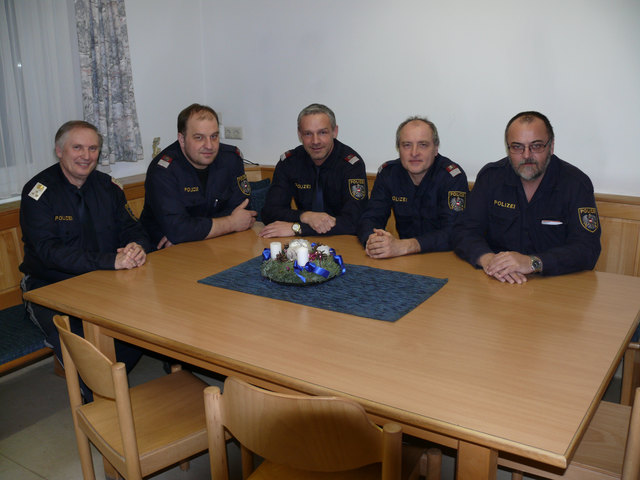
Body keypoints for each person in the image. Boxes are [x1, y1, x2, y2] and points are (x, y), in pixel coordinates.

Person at [20, 120, 150, 396]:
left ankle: (109, 384)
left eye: (93, 148)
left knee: (142, 330)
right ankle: (99, 399)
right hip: (49, 286)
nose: (86, 155)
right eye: (77, 147)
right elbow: (47, 252)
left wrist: (136, 245)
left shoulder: (108, 187)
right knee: (80, 348)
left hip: (103, 281)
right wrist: (109, 261)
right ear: (59, 150)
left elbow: (133, 228)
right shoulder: (38, 192)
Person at [453, 111, 601, 283]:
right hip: (498, 281)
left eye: (536, 146)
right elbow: (464, 231)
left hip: (557, 285)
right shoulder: (491, 178)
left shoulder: (575, 184)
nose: (526, 155)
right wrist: (488, 260)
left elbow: (587, 249)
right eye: (517, 147)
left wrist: (533, 262)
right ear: (508, 148)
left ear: (551, 146)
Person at [140, 103, 256, 249]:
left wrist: (190, 233)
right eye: (199, 137)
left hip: (216, 245)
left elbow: (244, 211)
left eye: (214, 136)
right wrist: (231, 223)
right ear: (181, 139)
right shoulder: (163, 171)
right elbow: (177, 229)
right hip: (166, 254)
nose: (209, 145)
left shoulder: (231, 159)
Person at [357, 116, 468, 258]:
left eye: (423, 145)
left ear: (435, 149)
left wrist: (406, 246)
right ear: (399, 148)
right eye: (407, 145)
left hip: (442, 258)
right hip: (400, 258)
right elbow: (370, 218)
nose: (414, 153)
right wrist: (373, 240)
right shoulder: (389, 173)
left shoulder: (451, 177)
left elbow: (454, 232)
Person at [260, 103, 367, 237]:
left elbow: (354, 221)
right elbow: (269, 212)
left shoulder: (350, 165)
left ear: (335, 132)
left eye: (322, 132)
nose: (315, 141)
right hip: (302, 245)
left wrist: (298, 228)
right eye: (308, 134)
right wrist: (305, 216)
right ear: (300, 135)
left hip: (342, 241)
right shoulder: (289, 162)